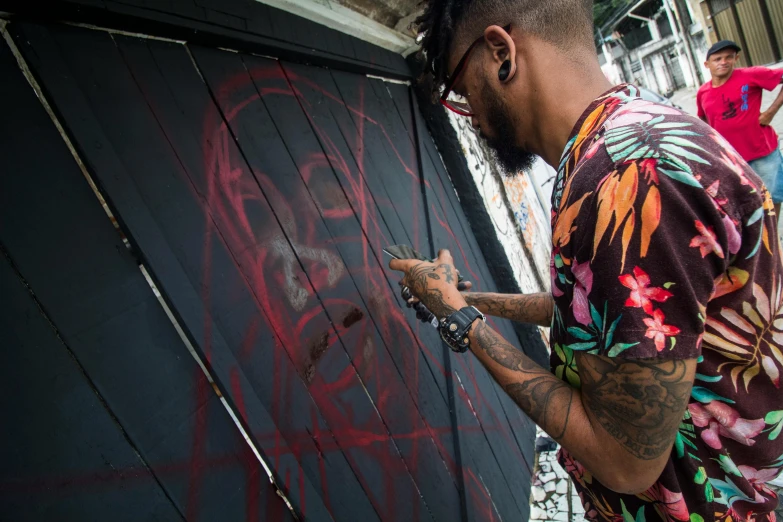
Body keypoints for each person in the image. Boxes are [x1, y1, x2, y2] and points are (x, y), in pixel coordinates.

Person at [389, 1, 783, 520]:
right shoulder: (632, 131)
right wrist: (467, 298)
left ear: (501, 53)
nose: (471, 118)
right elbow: (610, 320)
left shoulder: (622, 182)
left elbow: (625, 463)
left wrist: (463, 320)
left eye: (463, 95)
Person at [697, 40, 783, 215]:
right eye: (718, 59)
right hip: (730, 158)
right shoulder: (703, 92)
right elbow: (703, 121)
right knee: (742, 203)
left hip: (761, 152)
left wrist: (770, 113)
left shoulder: (751, 75)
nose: (724, 62)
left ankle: (773, 238)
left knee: (772, 197)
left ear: (736, 58)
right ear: (707, 64)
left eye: (729, 57)